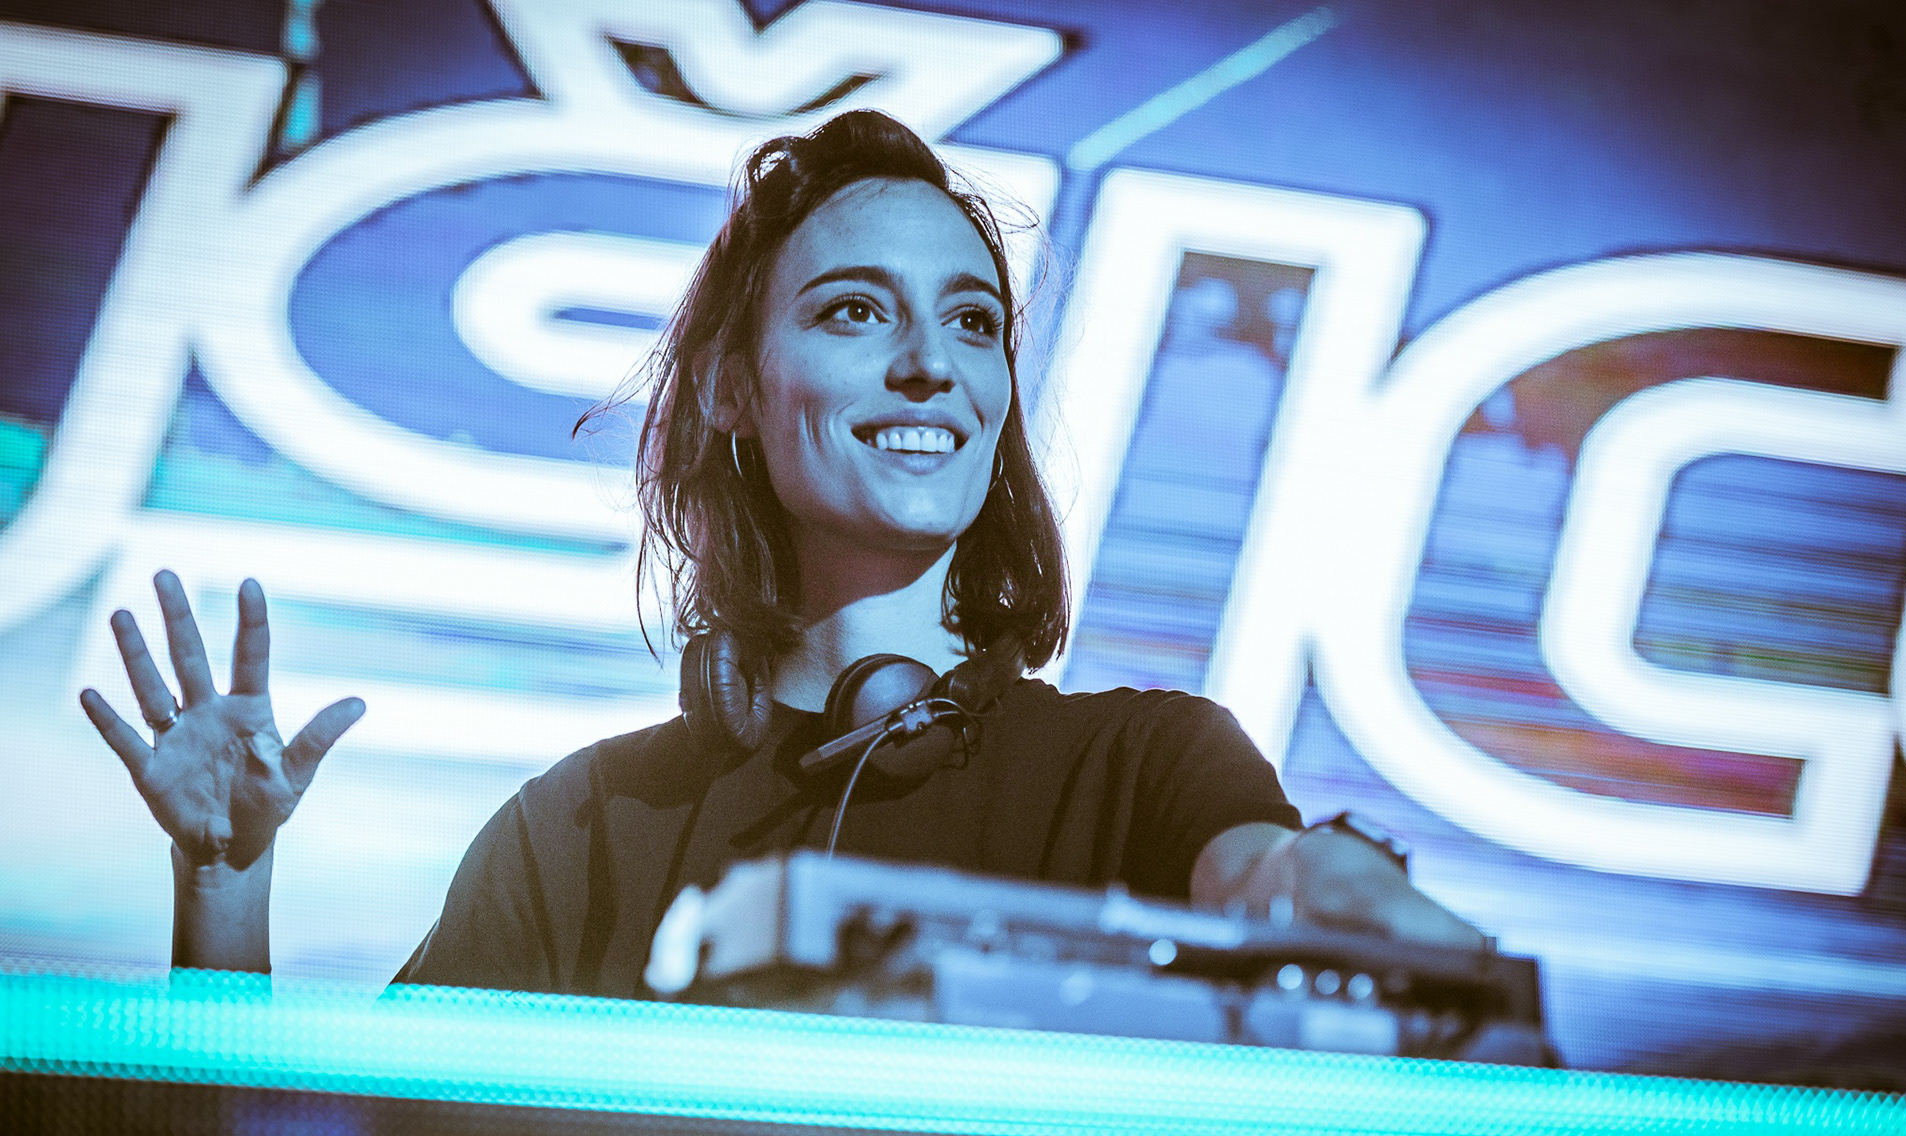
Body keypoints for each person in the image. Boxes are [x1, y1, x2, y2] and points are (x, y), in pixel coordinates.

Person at [80, 111, 1483, 997]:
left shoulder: (1147, 765)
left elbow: (1264, 879)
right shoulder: (582, 827)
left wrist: (1330, 889)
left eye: (975, 322)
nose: (933, 365)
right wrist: (224, 886)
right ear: (733, 394)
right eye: (856, 312)